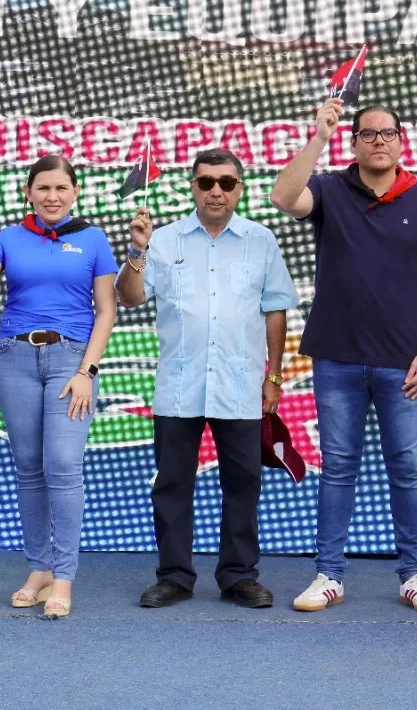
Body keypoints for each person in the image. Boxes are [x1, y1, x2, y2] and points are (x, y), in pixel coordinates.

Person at [270, 98, 417, 614]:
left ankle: (414, 574)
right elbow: (283, 195)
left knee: (407, 467)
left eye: (387, 133)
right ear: (354, 143)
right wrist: (319, 135)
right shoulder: (329, 188)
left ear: (402, 141)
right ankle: (328, 575)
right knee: (338, 468)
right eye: (367, 134)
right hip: (337, 357)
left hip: (404, 361)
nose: (379, 141)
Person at [117, 149, 298, 610]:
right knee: (173, 484)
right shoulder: (163, 239)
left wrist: (273, 375)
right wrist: (137, 250)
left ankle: (239, 576)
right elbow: (131, 298)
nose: (216, 190)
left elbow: (275, 309)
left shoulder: (261, 241)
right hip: (179, 384)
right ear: (192, 187)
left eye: (226, 182)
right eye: (205, 182)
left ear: (240, 187)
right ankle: (174, 576)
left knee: (243, 482)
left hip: (240, 384)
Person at [0, 155, 119, 618]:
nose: (52, 196)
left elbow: (106, 309)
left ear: (75, 192)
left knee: (63, 465)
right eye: (42, 188)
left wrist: (87, 371)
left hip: (71, 358)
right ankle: (39, 569)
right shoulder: (10, 237)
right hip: (15, 357)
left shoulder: (92, 239)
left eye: (61, 188)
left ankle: (63, 578)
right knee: (28, 467)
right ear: (28, 192)